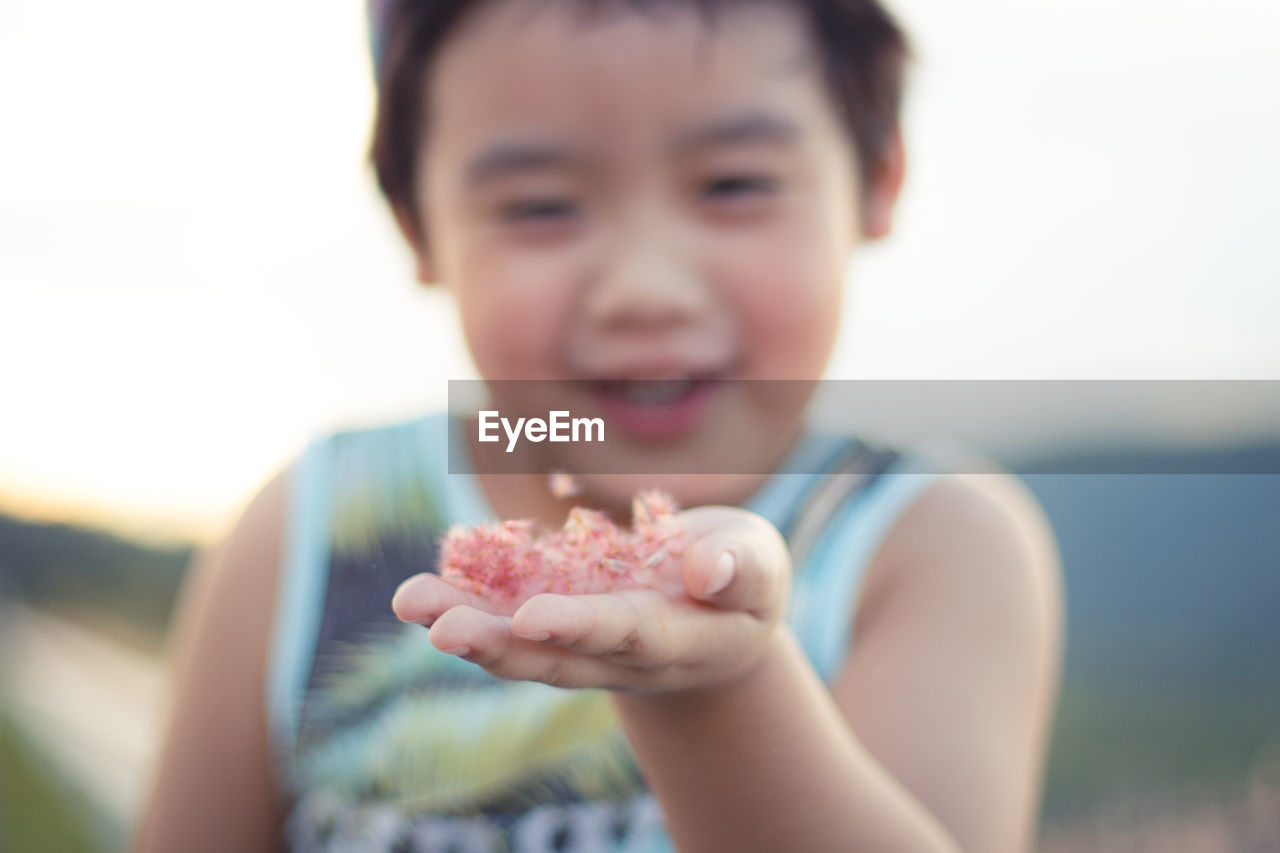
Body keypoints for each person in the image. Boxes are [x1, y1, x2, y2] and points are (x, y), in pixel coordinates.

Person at [135, 1, 1063, 851]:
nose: (645, 287)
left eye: (734, 184)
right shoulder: (313, 526)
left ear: (877, 175)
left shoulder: (928, 542)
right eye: (541, 205)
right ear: (418, 226)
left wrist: (718, 690)